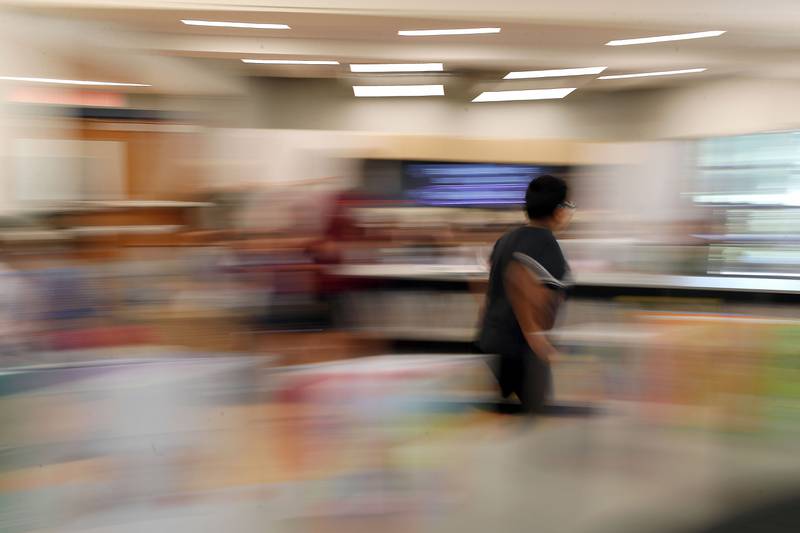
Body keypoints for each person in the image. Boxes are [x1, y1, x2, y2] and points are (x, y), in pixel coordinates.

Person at [478, 175, 575, 413]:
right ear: (558, 209)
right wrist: (536, 337)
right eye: (568, 206)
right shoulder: (546, 245)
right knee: (537, 418)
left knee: (503, 416)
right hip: (524, 350)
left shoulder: (506, 238)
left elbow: (491, 282)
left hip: (493, 341)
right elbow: (518, 279)